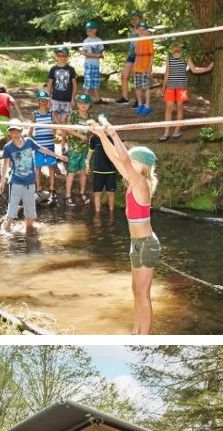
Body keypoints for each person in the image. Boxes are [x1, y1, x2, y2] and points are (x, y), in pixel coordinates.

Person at [89, 117, 160, 334]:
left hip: (147, 244)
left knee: (144, 293)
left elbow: (124, 159)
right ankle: (135, 331)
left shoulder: (142, 183)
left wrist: (112, 133)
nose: (128, 160)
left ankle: (144, 335)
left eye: (132, 159)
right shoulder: (132, 180)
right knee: (136, 291)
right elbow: (115, 157)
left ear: (142, 165)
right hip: (135, 244)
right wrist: (101, 135)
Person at [159, 43, 214, 141]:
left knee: (180, 107)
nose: (175, 48)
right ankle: (166, 132)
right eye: (174, 46)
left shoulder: (185, 56)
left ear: (180, 47)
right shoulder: (169, 57)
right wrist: (164, 86)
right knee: (168, 108)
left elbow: (194, 69)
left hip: (181, 87)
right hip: (171, 86)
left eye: (177, 46)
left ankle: (177, 130)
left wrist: (208, 68)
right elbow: (167, 72)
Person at [0, 120, 42, 233]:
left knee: (31, 214)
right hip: (16, 182)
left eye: (16, 130)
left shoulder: (28, 142)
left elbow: (41, 149)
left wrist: (58, 156)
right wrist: (2, 182)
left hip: (29, 182)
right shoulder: (8, 147)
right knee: (12, 210)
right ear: (9, 133)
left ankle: (27, 229)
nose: (14, 133)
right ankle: (6, 231)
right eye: (12, 131)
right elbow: (5, 165)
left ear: (21, 131)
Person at [30, 91, 66, 205]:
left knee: (51, 167)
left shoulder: (51, 113)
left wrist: (62, 121)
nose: (43, 102)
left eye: (45, 100)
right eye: (41, 100)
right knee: (38, 167)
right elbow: (30, 131)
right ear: (37, 101)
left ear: (48, 101)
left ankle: (52, 189)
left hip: (50, 144)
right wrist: (30, 139)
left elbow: (58, 124)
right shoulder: (34, 114)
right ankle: (38, 188)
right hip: (38, 145)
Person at [63, 94, 93, 207]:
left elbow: (92, 131)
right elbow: (68, 128)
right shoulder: (73, 114)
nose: (83, 105)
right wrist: (80, 135)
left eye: (85, 103)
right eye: (80, 103)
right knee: (71, 172)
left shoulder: (90, 117)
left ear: (89, 105)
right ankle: (67, 195)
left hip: (85, 149)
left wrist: (90, 138)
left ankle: (82, 193)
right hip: (73, 149)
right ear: (77, 104)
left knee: (83, 172)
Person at [89, 121, 118, 214]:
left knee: (111, 193)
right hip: (98, 171)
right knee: (97, 193)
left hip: (111, 171)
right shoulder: (94, 139)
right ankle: (97, 213)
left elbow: (118, 153)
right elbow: (90, 151)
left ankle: (111, 213)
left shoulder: (112, 138)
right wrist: (86, 163)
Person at [0, 85, 22, 157]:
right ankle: (13, 151)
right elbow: (14, 102)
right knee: (8, 133)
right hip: (3, 114)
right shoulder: (6, 95)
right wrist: (20, 114)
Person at [116, 11, 144, 105]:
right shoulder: (133, 30)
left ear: (140, 18)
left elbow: (144, 44)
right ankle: (125, 98)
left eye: (136, 18)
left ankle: (138, 101)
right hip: (131, 56)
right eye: (132, 18)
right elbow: (132, 44)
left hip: (139, 56)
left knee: (137, 78)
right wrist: (128, 55)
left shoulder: (143, 29)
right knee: (124, 76)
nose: (133, 20)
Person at [46, 47, 77, 123]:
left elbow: (75, 86)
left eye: (63, 55)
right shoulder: (53, 69)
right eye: (58, 55)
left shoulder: (71, 69)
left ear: (67, 56)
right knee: (54, 121)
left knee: (64, 121)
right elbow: (49, 85)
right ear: (56, 56)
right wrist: (48, 99)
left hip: (67, 99)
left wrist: (73, 99)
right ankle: (53, 135)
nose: (61, 57)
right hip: (55, 98)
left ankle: (63, 135)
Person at [132, 22, 155, 116]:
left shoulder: (148, 41)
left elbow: (152, 55)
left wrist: (149, 67)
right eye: (139, 29)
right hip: (137, 68)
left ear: (146, 31)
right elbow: (136, 56)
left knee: (146, 87)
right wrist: (134, 66)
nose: (141, 31)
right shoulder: (137, 41)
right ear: (137, 30)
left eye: (143, 29)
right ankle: (140, 104)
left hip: (145, 68)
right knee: (138, 87)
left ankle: (147, 105)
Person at [80, 21, 105, 104]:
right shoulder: (86, 41)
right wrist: (95, 55)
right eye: (86, 30)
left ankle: (98, 99)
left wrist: (100, 55)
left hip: (96, 65)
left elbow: (101, 53)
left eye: (89, 30)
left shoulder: (99, 40)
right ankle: (84, 99)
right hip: (89, 64)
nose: (87, 32)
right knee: (88, 81)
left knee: (96, 82)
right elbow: (84, 53)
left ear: (95, 30)